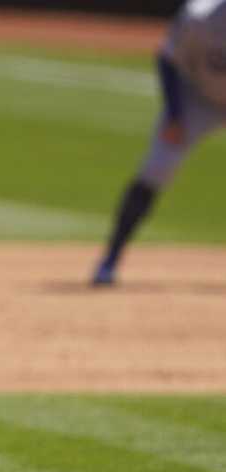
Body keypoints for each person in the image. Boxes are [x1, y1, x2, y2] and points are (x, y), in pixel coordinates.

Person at [93, 0, 226, 285]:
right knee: (156, 169)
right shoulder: (199, 15)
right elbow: (167, 58)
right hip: (195, 99)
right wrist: (175, 115)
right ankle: (110, 259)